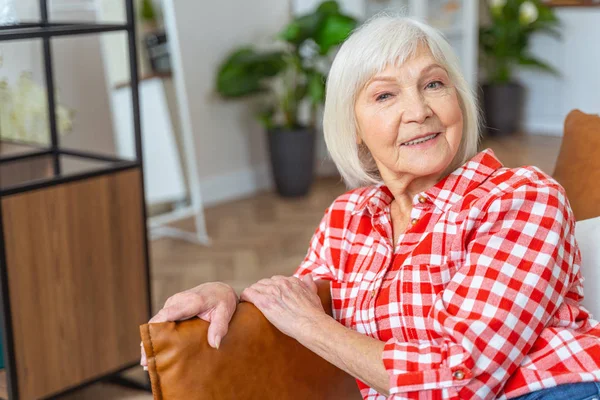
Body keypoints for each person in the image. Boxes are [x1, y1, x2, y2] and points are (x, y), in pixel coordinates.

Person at [141, 15, 600, 399]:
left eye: (434, 84)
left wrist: (312, 326)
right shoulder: (349, 217)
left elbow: (464, 377)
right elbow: (294, 303)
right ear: (354, 128)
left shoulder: (520, 197)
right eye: (385, 95)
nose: (419, 110)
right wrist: (229, 298)